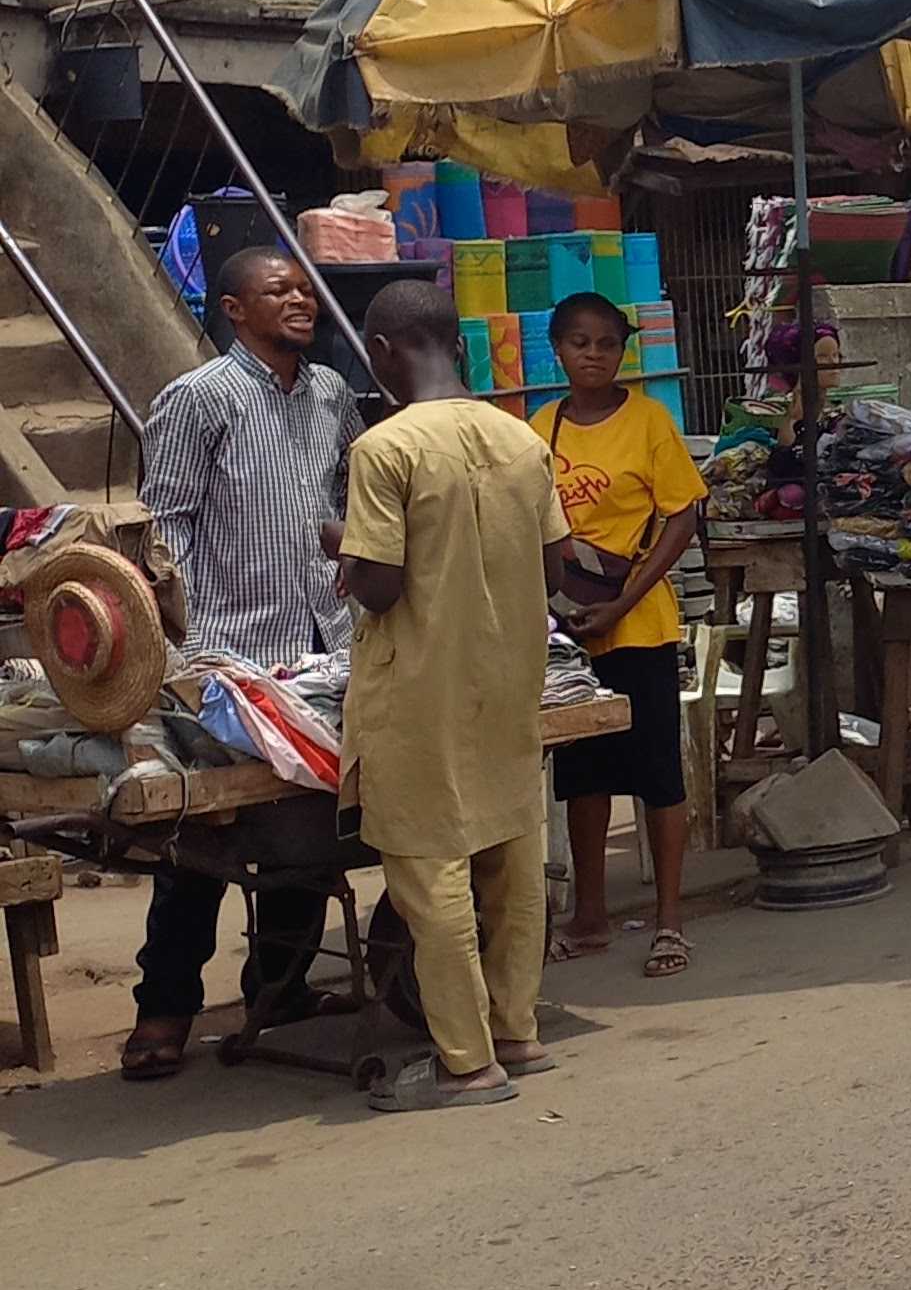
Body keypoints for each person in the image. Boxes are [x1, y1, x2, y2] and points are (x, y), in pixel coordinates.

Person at [120, 245, 366, 1083]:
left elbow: (347, 497)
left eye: (304, 288)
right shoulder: (199, 400)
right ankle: (163, 1009)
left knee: (307, 830)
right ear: (234, 309)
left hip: (322, 648)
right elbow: (166, 533)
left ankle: (278, 987)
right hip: (231, 651)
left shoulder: (332, 394)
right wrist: (180, 651)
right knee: (203, 839)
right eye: (278, 291)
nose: (300, 300)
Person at [340, 278, 572, 1113]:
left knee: (429, 866)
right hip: (508, 678)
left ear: (380, 354)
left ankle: (468, 1061)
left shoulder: (386, 450)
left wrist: (343, 548)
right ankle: (518, 1028)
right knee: (512, 850)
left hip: (419, 691)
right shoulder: (521, 441)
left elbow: (378, 584)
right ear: (460, 345)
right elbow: (554, 565)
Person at [536, 293, 705, 980]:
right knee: (583, 776)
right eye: (580, 342)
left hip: (640, 625)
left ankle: (669, 919)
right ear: (559, 350)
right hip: (570, 631)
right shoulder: (540, 429)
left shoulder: (649, 421)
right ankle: (592, 916)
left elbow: (681, 517)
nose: (594, 354)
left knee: (658, 774)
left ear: (622, 352)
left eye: (607, 343)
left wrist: (624, 599)